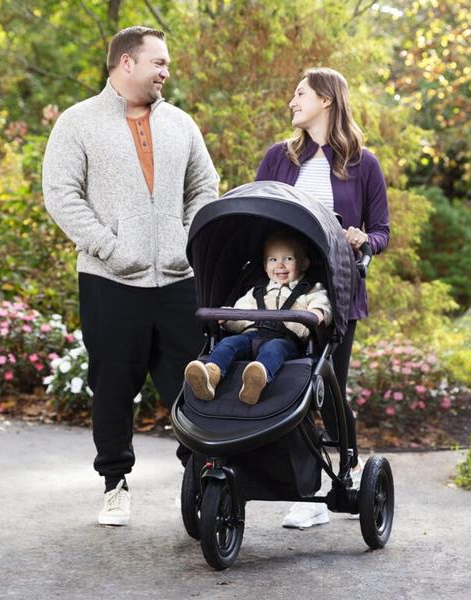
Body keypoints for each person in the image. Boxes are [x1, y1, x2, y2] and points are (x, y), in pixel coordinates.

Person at [42, 26, 219, 526]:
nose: (166, 71)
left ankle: (201, 478)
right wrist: (110, 248)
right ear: (126, 63)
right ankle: (115, 483)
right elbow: (61, 194)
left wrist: (187, 241)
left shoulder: (181, 123)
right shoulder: (77, 123)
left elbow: (205, 185)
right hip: (110, 280)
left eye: (166, 64)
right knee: (113, 386)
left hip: (179, 279)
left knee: (193, 383)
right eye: (158, 62)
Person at [255, 67, 390, 528]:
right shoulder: (278, 158)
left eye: (300, 94)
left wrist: (363, 240)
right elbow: (257, 213)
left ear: (326, 100)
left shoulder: (363, 164)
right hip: (283, 290)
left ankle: (343, 469)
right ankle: (307, 490)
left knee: (327, 386)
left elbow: (382, 231)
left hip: (336, 288)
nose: (292, 102)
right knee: (289, 383)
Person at [184, 229, 332, 405]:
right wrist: (227, 317)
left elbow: (321, 303)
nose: (280, 265)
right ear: (264, 265)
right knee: (229, 343)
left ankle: (257, 379)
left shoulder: (310, 289)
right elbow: (241, 313)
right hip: (252, 335)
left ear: (304, 264)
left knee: (273, 349)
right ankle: (210, 375)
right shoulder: (257, 291)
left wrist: (317, 312)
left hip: (285, 339)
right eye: (273, 260)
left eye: (288, 259)